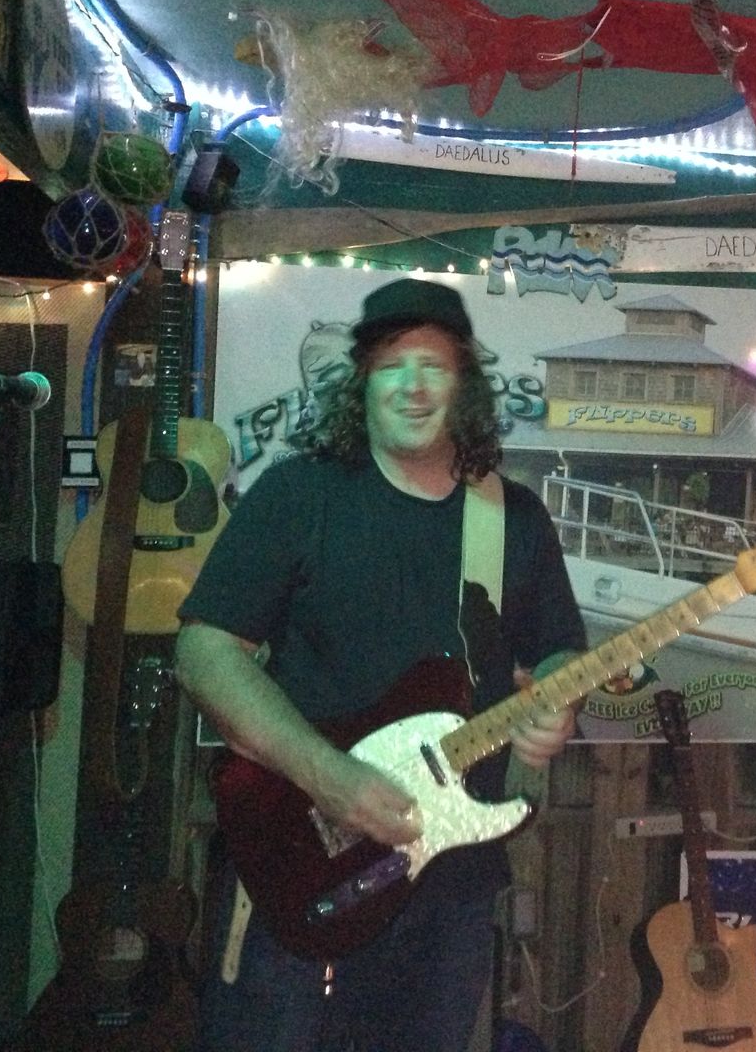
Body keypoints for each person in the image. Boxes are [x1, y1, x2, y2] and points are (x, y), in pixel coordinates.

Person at [175, 278, 585, 1052]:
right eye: (392, 364)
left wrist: (557, 705)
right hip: (296, 863)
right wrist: (328, 775)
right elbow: (203, 652)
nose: (413, 384)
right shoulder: (299, 494)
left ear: (465, 384)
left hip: (449, 888)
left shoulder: (514, 518)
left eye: (434, 364)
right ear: (362, 380)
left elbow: (558, 650)